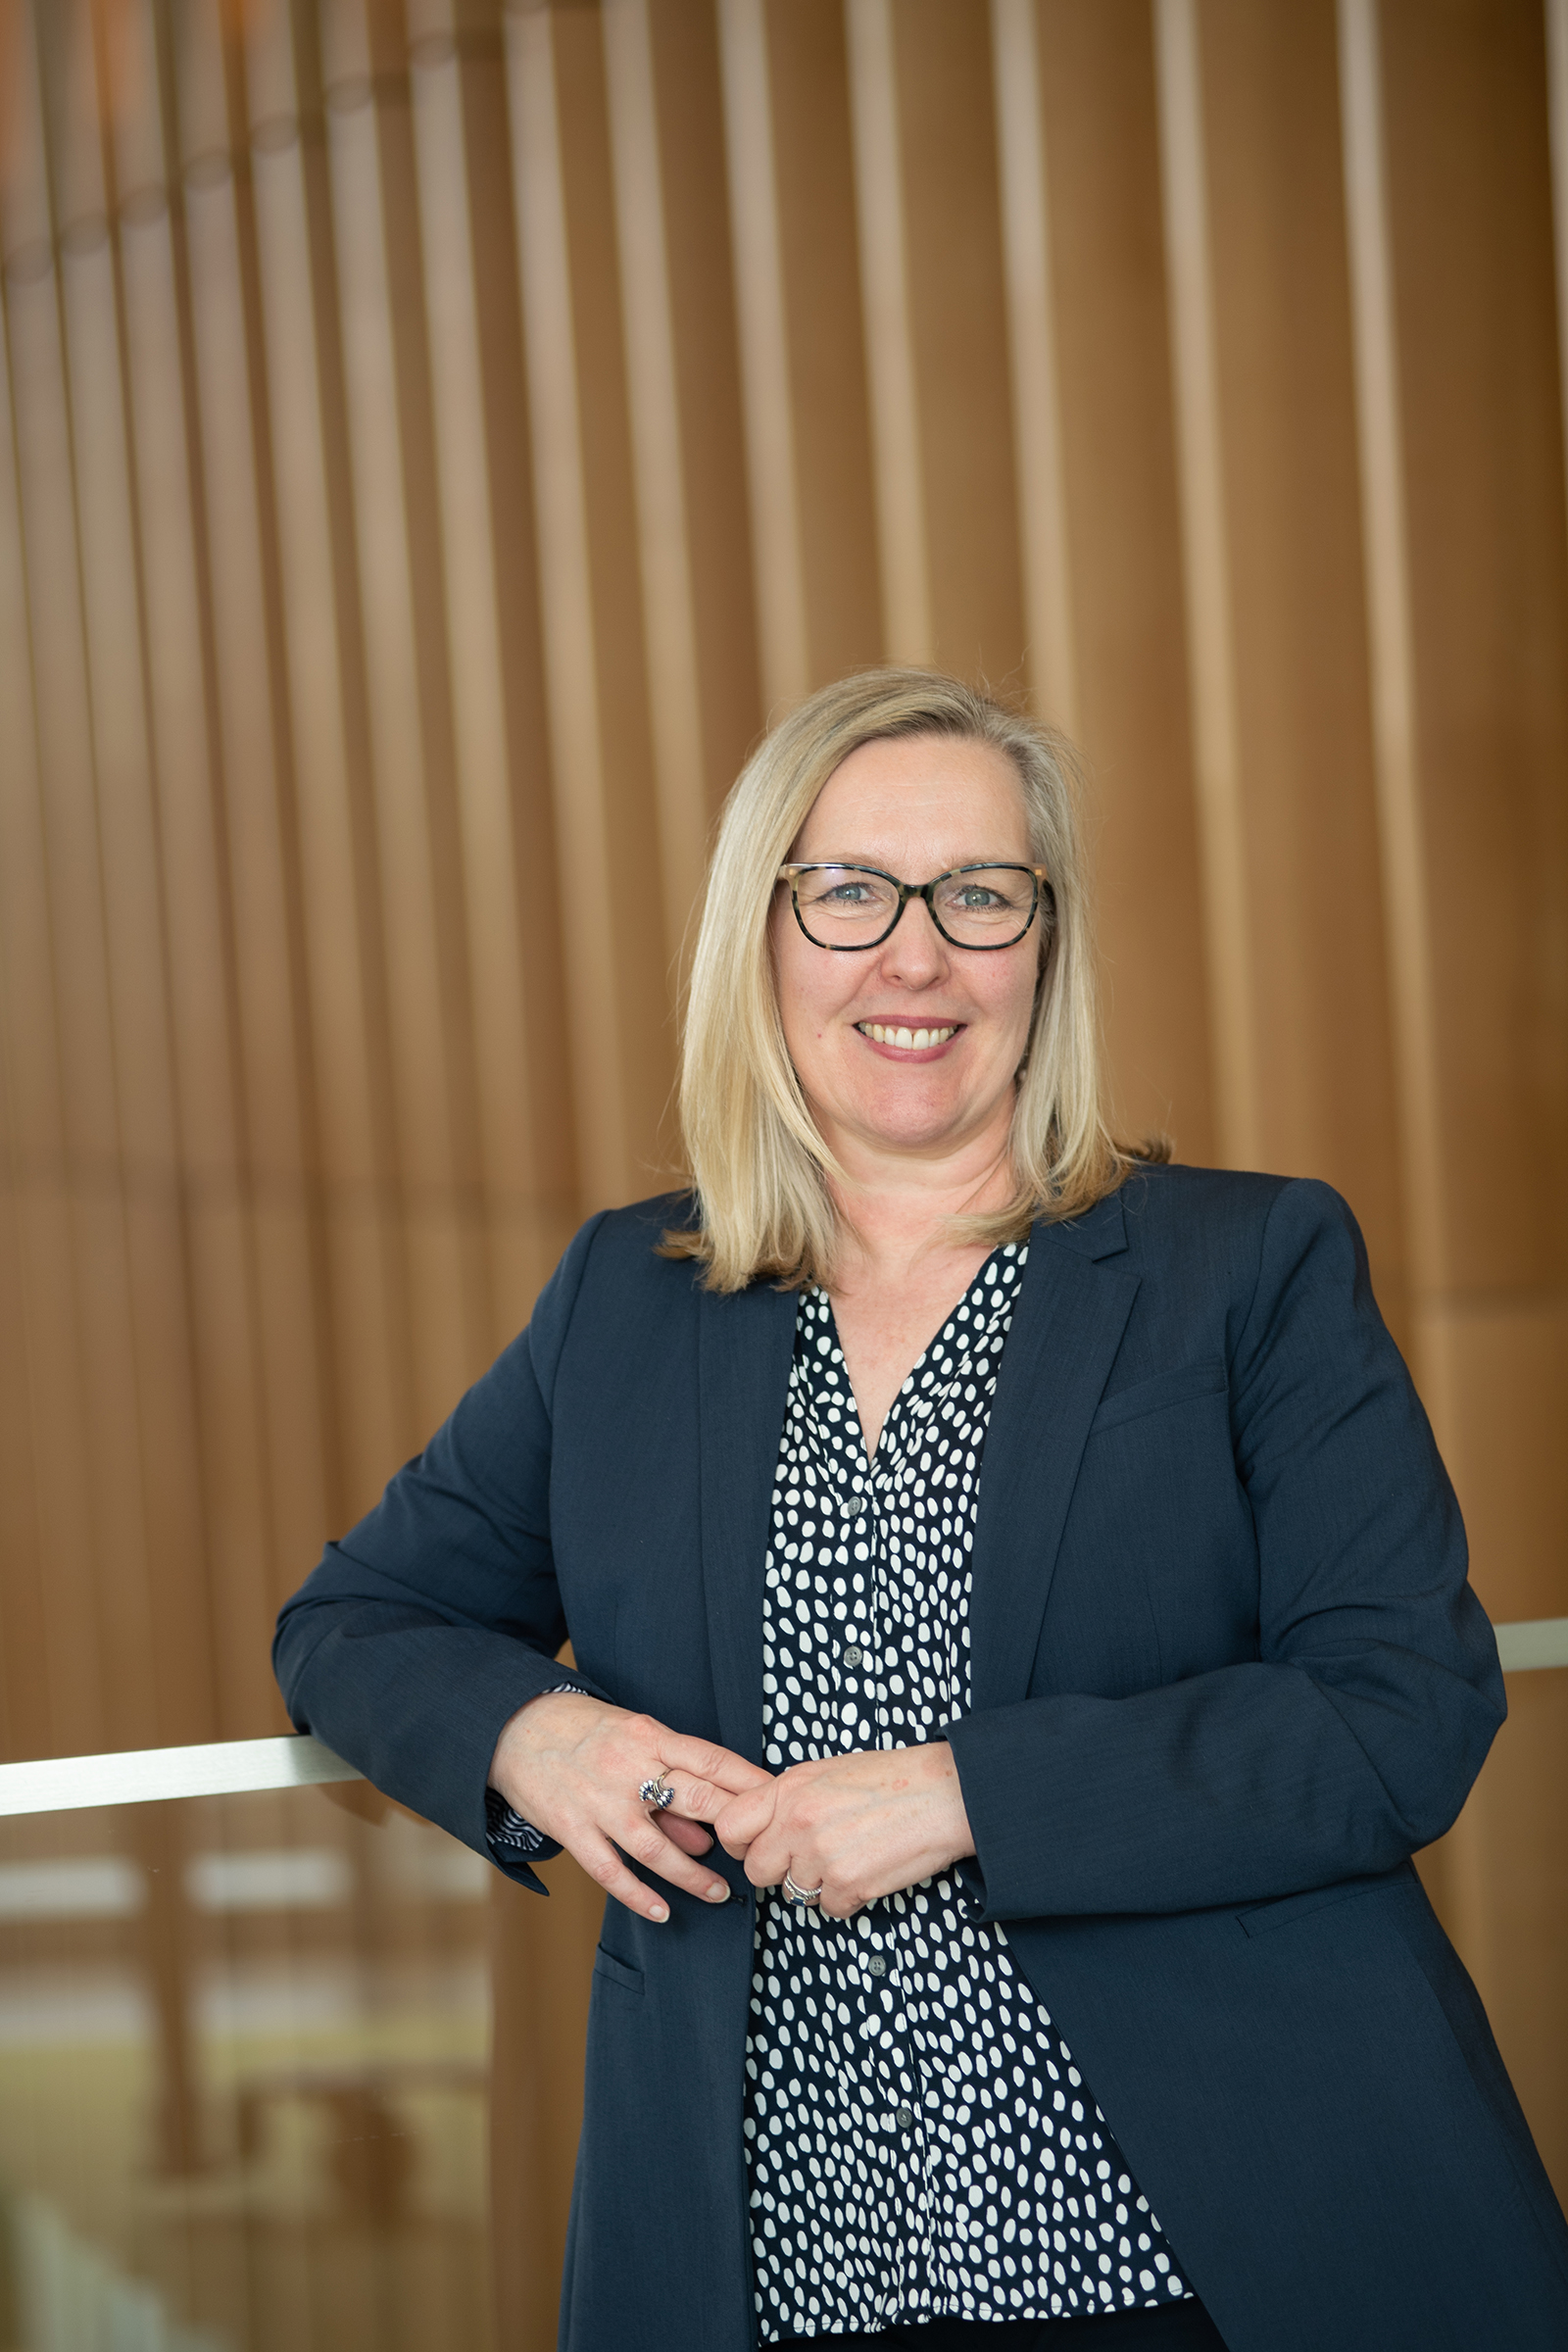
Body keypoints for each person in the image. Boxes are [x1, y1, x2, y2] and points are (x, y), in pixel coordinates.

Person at [274, 669, 1568, 2352]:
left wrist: (971, 1794)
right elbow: (354, 1622)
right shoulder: (628, 1298)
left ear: (1044, 942)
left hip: (1212, 2252)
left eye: (978, 895)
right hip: (785, 2275)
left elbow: (1406, 1710)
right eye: (848, 893)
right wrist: (540, 1739)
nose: (916, 957)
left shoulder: (1244, 1268)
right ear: (767, 937)